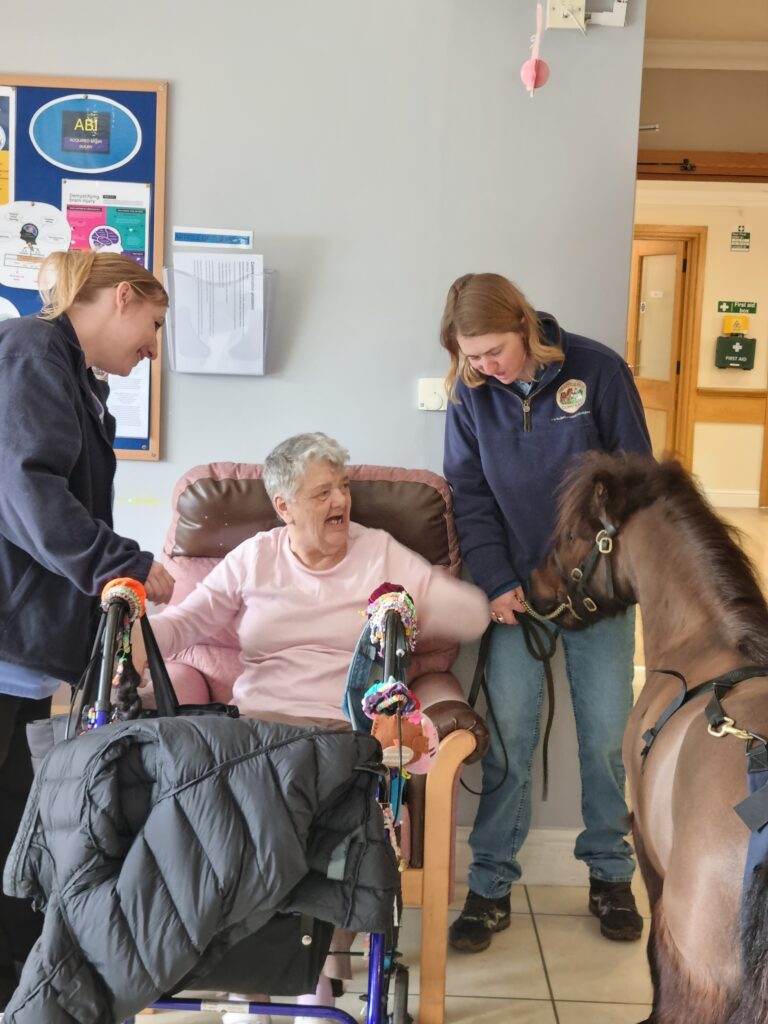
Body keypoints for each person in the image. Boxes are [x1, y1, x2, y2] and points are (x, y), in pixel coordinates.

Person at [145, 431, 490, 1023]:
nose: (342, 501)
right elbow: (187, 623)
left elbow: (470, 615)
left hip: (341, 728)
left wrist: (415, 604)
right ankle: (249, 972)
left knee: (331, 814)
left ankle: (315, 974)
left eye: (344, 486)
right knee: (226, 815)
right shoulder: (256, 556)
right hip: (257, 728)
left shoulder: (379, 552)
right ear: (283, 507)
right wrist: (134, 635)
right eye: (323, 491)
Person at [440, 272, 652, 953]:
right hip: (516, 594)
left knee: (604, 736)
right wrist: (498, 582)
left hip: (600, 589)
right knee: (507, 739)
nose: (484, 366)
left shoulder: (598, 371)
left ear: (525, 327)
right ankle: (491, 884)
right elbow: (468, 496)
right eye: (470, 355)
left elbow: (635, 480)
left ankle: (611, 875)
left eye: (493, 350)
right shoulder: (471, 394)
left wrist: (604, 566)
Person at [0, 250, 175, 1010]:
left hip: (23, 654)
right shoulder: (32, 350)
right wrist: (121, 563)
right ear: (124, 297)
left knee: (16, 848)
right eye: (155, 324)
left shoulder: (69, 373)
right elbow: (27, 489)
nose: (155, 347)